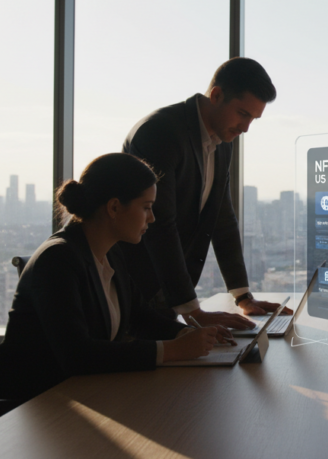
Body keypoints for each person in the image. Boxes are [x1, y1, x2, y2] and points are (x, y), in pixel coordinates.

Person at [0, 153, 228, 427]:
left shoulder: (110, 254)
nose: (152, 218)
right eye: (146, 207)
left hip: (74, 401)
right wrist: (172, 350)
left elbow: (139, 315)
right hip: (23, 414)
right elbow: (77, 356)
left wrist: (188, 334)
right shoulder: (57, 259)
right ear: (114, 207)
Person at [120, 57, 292, 328]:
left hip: (167, 293)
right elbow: (159, 224)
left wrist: (243, 295)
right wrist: (193, 310)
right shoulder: (159, 132)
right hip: (132, 286)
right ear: (216, 95)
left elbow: (222, 218)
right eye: (243, 114)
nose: (246, 128)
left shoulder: (223, 140)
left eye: (254, 119)